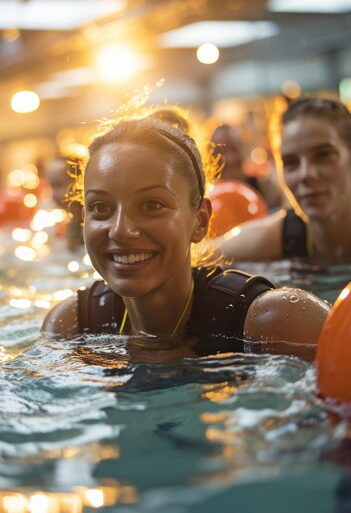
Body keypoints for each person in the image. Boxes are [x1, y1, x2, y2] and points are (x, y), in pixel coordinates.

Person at [41, 110, 329, 362]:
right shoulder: (70, 327)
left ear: (200, 221)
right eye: (100, 207)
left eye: (151, 205)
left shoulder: (276, 324)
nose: (119, 230)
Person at [209, 97, 351, 264]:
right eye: (291, 162)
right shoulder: (284, 235)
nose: (306, 174)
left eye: (323, 155)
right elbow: (197, 256)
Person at [46, 147, 86, 249]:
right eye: (50, 186)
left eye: (58, 185)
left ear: (79, 184)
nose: (53, 194)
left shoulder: (86, 222)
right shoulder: (73, 221)